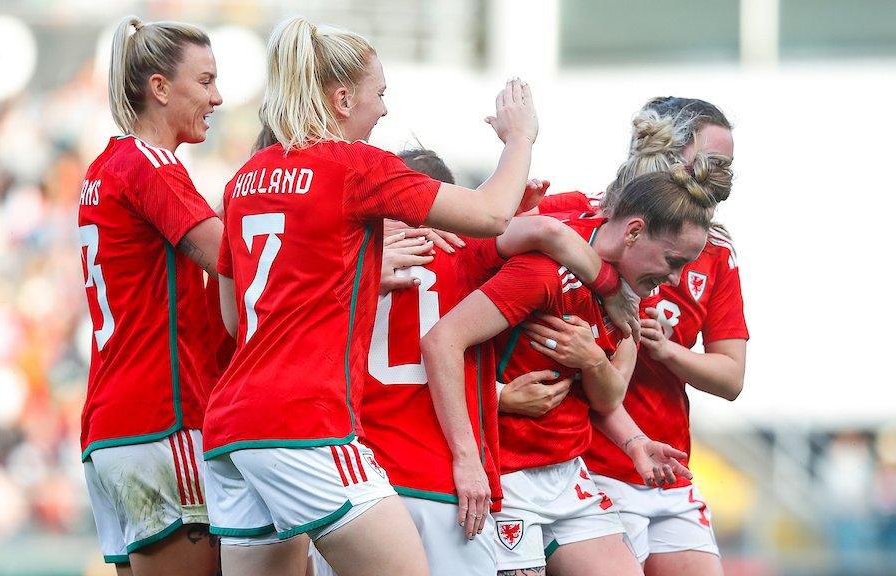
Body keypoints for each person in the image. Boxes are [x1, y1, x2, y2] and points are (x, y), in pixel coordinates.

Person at [203, 16, 538, 576]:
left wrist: (345, 283)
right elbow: (491, 214)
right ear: (340, 99)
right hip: (306, 422)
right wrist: (520, 137)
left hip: (232, 428)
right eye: (378, 93)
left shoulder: (246, 177)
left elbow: (235, 320)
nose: (383, 109)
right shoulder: (353, 166)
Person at [422, 155, 732, 576]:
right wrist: (468, 455)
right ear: (634, 232)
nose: (675, 280)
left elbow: (606, 396)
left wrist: (634, 441)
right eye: (673, 262)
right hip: (506, 471)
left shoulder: (631, 291)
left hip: (568, 471)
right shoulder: (545, 272)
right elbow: (442, 341)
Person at [361, 148, 627, 576]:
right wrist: (614, 289)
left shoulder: (344, 258)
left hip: (363, 477)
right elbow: (541, 232)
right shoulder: (468, 248)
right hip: (446, 475)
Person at [78, 15, 223, 576]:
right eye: (205, 81)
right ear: (160, 88)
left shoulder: (104, 167)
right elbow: (231, 257)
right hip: (162, 421)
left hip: (113, 429)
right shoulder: (150, 163)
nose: (217, 97)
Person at [585, 97, 748, 576]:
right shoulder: (602, 227)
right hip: (597, 464)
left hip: (669, 468)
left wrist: (670, 351)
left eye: (730, 166)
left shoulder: (714, 252)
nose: (723, 178)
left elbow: (731, 377)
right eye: (713, 162)